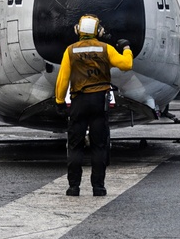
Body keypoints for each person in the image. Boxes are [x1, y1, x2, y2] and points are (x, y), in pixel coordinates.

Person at [55, 14, 133, 197]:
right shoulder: (106, 49)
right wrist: (126, 48)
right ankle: (99, 187)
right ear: (98, 31)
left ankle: (73, 187)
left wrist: (59, 101)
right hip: (99, 101)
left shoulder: (70, 51)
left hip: (78, 102)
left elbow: (62, 79)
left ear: (78, 30)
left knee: (75, 146)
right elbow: (126, 64)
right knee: (99, 146)